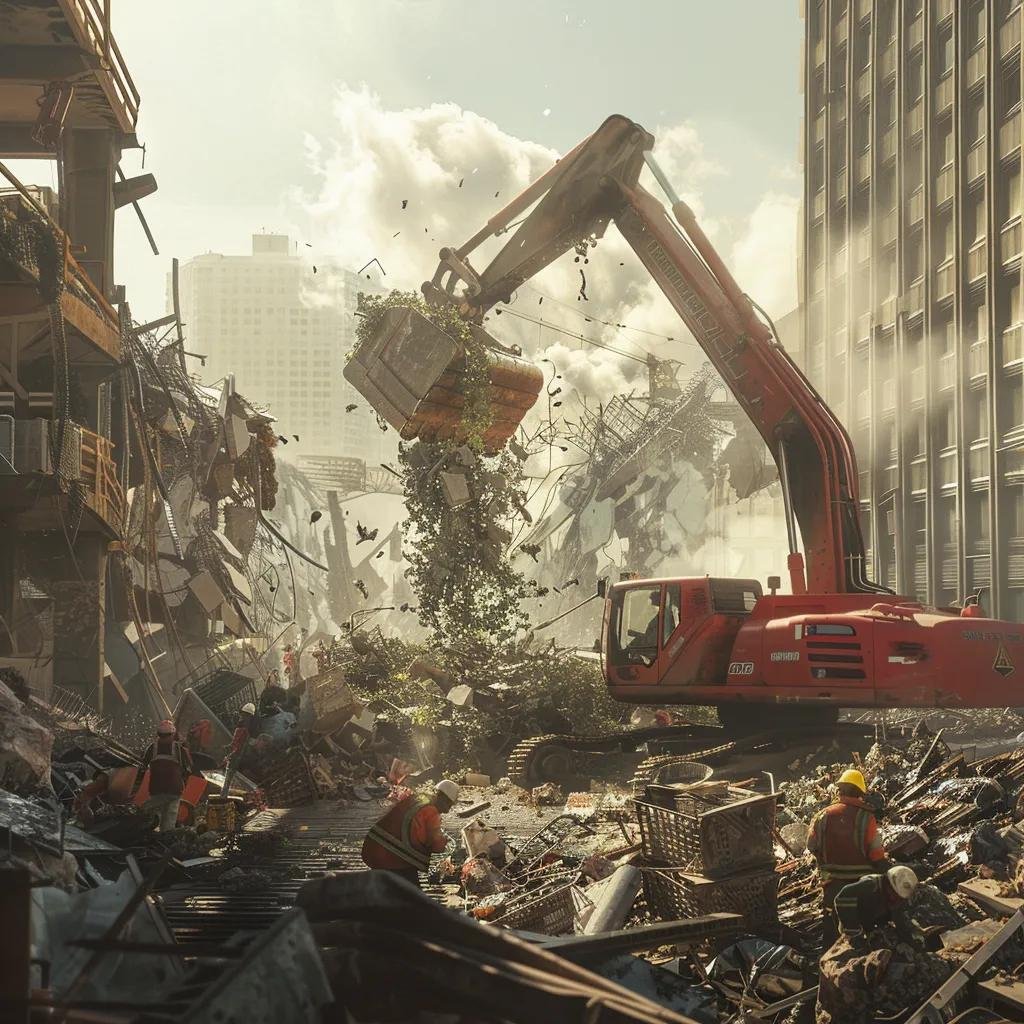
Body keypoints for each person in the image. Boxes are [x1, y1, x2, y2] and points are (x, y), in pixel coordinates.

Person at [806, 768, 889, 948]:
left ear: (839, 791)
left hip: (832, 888)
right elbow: (877, 856)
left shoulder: (822, 815)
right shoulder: (867, 818)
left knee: (832, 937)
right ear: (860, 793)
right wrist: (889, 872)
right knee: (864, 937)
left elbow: (811, 846)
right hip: (861, 888)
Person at [361, 780, 460, 887]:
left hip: (373, 847)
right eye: (449, 804)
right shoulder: (431, 812)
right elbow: (436, 845)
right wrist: (447, 843)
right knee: (412, 895)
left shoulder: (417, 799)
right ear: (442, 798)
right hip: (391, 857)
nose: (449, 809)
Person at [834, 866, 919, 949]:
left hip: (872, 917)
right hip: (854, 915)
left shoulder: (896, 897)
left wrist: (910, 940)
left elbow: (899, 917)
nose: (897, 900)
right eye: (895, 896)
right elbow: (843, 896)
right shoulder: (870, 884)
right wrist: (854, 931)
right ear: (889, 886)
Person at [138, 720, 193, 832]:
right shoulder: (179, 749)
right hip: (174, 790)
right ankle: (164, 839)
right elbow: (188, 768)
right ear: (173, 734)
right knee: (168, 823)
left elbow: (142, 768)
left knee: (143, 811)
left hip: (158, 790)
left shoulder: (152, 748)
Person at [219, 702, 258, 796]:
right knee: (227, 779)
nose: (242, 717)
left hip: (236, 758)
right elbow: (234, 743)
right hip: (234, 756)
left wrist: (231, 755)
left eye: (245, 715)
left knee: (228, 780)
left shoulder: (245, 731)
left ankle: (224, 796)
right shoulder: (240, 728)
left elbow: (240, 747)